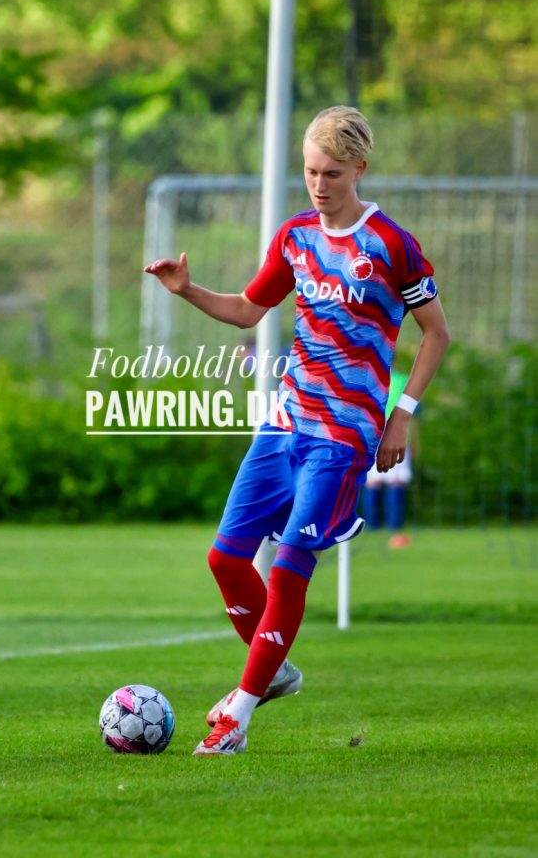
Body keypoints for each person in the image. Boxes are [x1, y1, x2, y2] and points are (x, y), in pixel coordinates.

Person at [144, 106, 451, 756]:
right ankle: (273, 672)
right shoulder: (295, 237)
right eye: (310, 172)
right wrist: (187, 290)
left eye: (331, 174)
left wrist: (402, 414)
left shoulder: (390, 245)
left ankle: (238, 717)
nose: (318, 185)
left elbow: (436, 334)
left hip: (343, 439)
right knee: (225, 558)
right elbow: (247, 309)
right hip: (284, 425)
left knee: (288, 570)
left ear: (359, 169)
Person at [362, 369, 416, 532]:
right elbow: (412, 416)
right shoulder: (404, 381)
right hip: (396, 430)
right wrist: (414, 443)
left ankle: (372, 526)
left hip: (371, 430)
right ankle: (394, 526)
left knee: (373, 480)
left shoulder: (366, 379)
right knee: (397, 480)